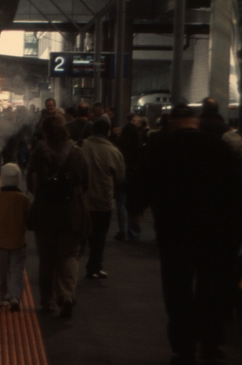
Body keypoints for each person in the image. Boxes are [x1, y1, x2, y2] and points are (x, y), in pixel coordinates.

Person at [130, 103, 242, 365]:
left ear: (172, 122)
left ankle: (184, 346)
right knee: (212, 286)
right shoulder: (218, 147)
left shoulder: (160, 147)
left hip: (174, 231)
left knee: (177, 287)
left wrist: (136, 208)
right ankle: (211, 342)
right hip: (216, 232)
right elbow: (236, 188)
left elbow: (140, 180)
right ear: (196, 121)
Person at [27, 115, 91, 318]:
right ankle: (66, 296)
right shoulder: (77, 152)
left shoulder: (39, 152)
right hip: (71, 213)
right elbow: (85, 182)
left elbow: (30, 182)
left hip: (45, 213)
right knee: (69, 256)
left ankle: (47, 301)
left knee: (47, 258)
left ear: (44, 132)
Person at [80, 118, 125, 277]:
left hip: (82, 198)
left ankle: (68, 265)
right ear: (108, 132)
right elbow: (120, 176)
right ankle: (94, 267)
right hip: (103, 200)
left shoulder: (82, 146)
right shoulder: (113, 152)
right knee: (99, 236)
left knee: (80, 234)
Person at [0, 161, 31, 312]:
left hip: (1, 242)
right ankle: (15, 296)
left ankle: (3, 296)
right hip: (19, 242)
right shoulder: (24, 199)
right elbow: (30, 221)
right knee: (17, 270)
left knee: (2, 270)